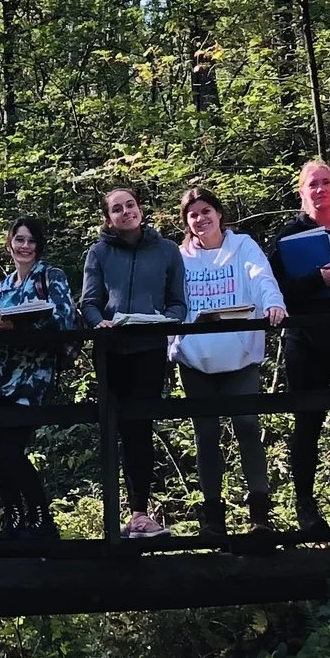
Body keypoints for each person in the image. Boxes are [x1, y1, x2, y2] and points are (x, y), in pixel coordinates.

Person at [172, 188, 287, 539]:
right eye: (193, 214)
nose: (201, 219)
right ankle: (212, 520)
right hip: (195, 359)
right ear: (186, 222)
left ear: (219, 213)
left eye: (206, 211)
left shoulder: (244, 247)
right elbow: (170, 302)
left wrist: (273, 304)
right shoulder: (179, 258)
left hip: (240, 358)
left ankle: (260, 516)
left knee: (247, 426)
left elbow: (261, 277)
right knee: (205, 434)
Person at [80, 184, 188, 537]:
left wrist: (166, 319)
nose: (126, 211)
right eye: (117, 208)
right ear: (108, 219)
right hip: (111, 350)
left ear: (140, 209)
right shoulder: (98, 253)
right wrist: (100, 323)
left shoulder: (167, 250)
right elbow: (89, 302)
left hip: (149, 351)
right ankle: (112, 520)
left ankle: (140, 514)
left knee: (140, 429)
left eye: (131, 205)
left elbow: (178, 302)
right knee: (112, 428)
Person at [266, 161, 330, 536]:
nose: (319, 190)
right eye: (312, 185)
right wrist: (315, 279)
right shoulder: (289, 235)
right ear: (301, 193)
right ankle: (305, 504)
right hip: (305, 339)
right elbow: (274, 289)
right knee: (308, 422)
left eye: (326, 183)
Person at [0, 216, 77, 543]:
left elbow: (62, 320)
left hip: (31, 376)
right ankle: (14, 522)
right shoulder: (5, 285)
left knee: (12, 451)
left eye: (31, 240)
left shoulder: (51, 277)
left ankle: (41, 520)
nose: (25, 246)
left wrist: (18, 328)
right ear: (10, 243)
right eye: (19, 239)